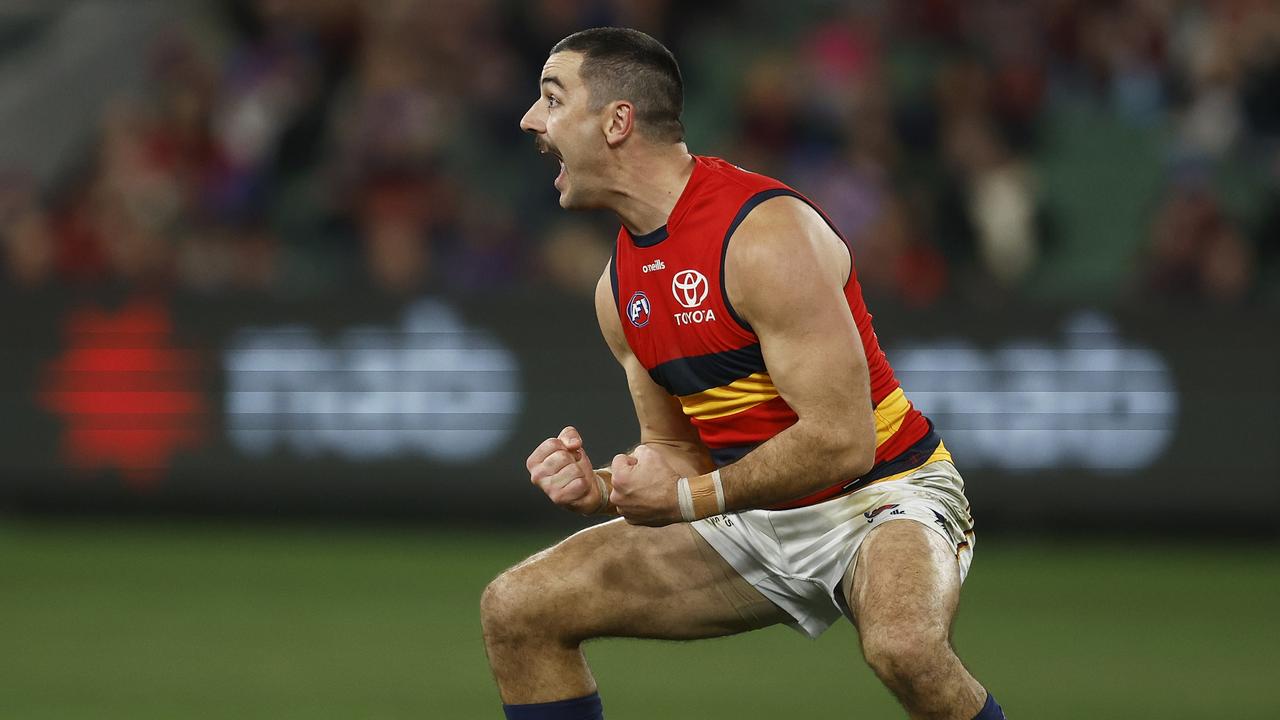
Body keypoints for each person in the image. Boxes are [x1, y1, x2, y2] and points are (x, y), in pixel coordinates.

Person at [481, 27, 1005, 720]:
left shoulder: (762, 235)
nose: (530, 119)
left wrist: (691, 500)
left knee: (904, 648)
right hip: (750, 512)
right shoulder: (619, 288)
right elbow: (677, 454)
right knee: (517, 609)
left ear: (616, 121)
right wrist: (605, 486)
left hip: (882, 495)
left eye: (551, 98)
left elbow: (844, 441)